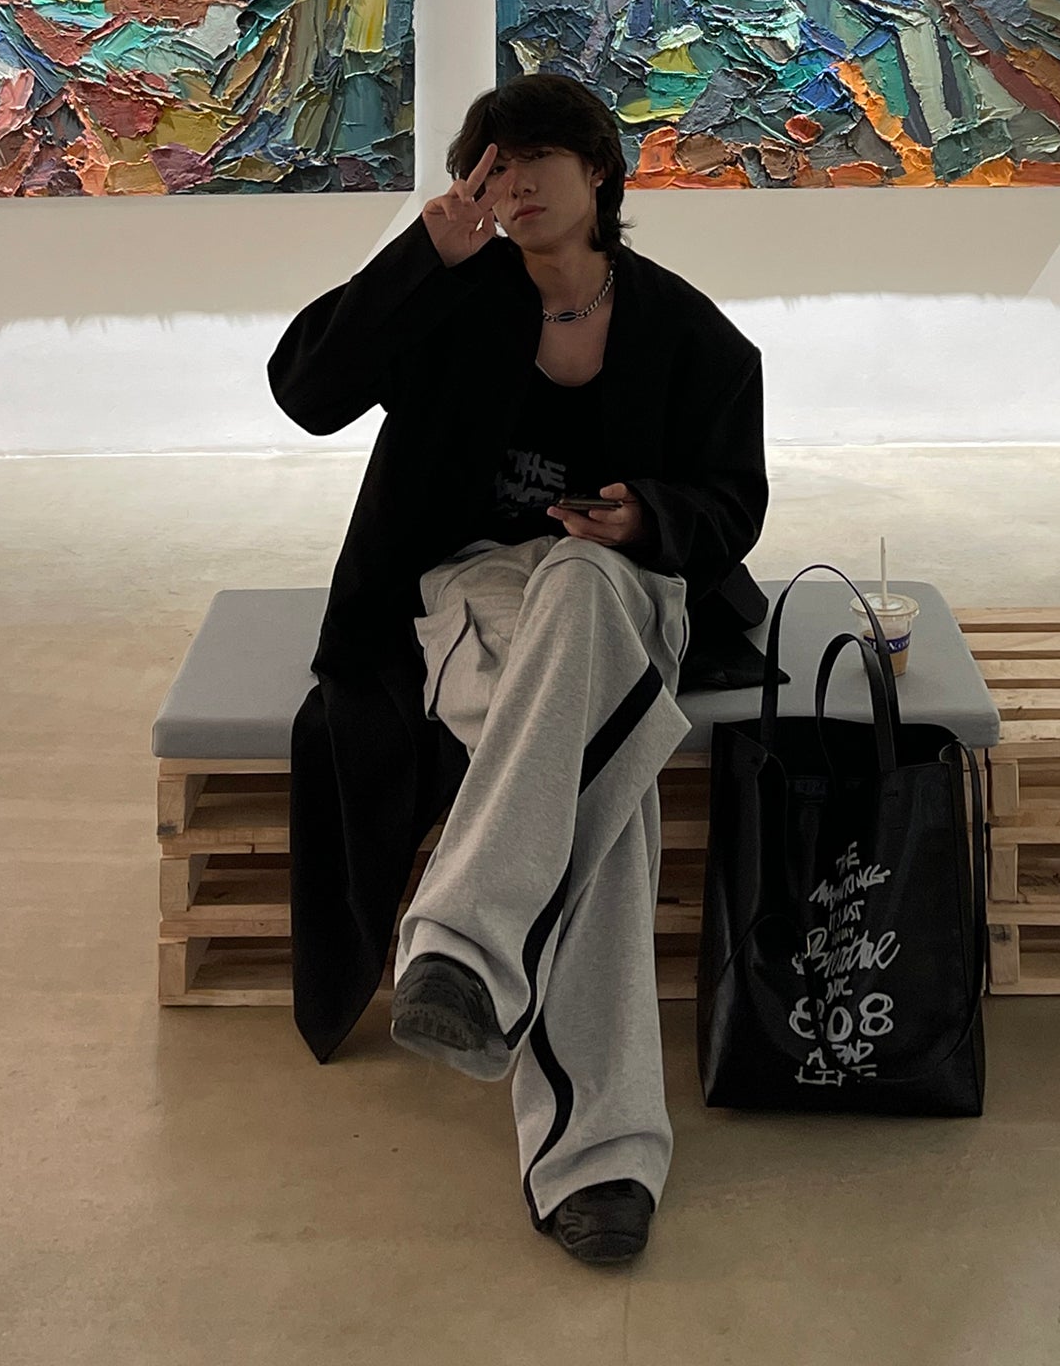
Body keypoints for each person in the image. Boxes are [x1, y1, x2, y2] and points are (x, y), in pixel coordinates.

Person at [266, 74, 768, 1263]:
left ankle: (461, 938)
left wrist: (645, 516)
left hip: (628, 594)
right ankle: (602, 1159)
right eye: (491, 163)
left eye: (538, 154)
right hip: (471, 594)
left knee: (584, 582)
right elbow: (307, 391)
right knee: (601, 779)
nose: (515, 181)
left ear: (599, 171)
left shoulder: (689, 332)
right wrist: (419, 255)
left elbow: (734, 499)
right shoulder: (449, 298)